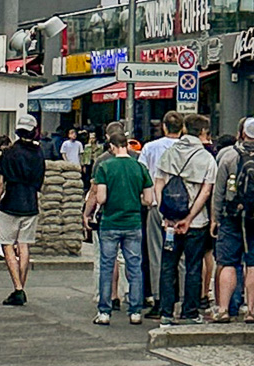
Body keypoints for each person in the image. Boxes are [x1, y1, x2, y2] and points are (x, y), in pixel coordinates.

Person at [85, 122, 152, 326]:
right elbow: (148, 199)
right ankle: (135, 311)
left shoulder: (106, 166)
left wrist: (87, 214)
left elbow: (101, 198)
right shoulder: (139, 166)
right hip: (133, 222)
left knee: (107, 265)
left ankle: (104, 312)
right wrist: (134, 198)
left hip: (110, 222)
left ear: (112, 146)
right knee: (134, 266)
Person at [153, 112, 216, 322]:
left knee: (168, 266)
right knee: (193, 266)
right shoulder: (206, 158)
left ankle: (166, 312)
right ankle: (190, 311)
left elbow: (159, 183)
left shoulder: (169, 153)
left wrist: (166, 212)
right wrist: (189, 218)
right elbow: (206, 192)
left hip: (170, 222)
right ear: (204, 132)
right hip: (196, 222)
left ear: (184, 129)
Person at [211, 118, 254, 321]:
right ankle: (252, 310)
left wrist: (215, 218)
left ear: (242, 133)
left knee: (228, 262)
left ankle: (224, 310)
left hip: (232, 215)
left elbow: (218, 191)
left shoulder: (228, 156)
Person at [0, 117, 46, 307]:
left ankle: (18, 288)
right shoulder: (39, 153)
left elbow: (0, 183)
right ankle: (21, 286)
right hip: (30, 203)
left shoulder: (9, 153)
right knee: (24, 246)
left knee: (7, 244)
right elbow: (40, 181)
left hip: (10, 203)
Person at [141, 110, 182, 311]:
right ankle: (182, 298)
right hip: (185, 208)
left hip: (158, 205)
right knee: (182, 255)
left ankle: (158, 298)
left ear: (164, 127)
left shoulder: (150, 148)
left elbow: (143, 175)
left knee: (157, 252)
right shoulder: (188, 149)